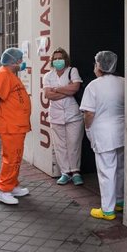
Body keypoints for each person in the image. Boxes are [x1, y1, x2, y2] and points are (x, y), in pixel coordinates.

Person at [79, 50, 125, 220]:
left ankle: (107, 210)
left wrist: (88, 129)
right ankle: (120, 201)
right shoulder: (123, 82)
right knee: (120, 168)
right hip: (121, 132)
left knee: (106, 172)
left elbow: (88, 114)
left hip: (103, 134)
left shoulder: (94, 85)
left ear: (99, 65)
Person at [0, 47, 32, 205]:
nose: (21, 62)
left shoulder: (9, 74)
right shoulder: (3, 74)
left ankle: (12, 185)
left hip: (17, 125)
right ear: (15, 61)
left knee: (16, 157)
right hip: (10, 125)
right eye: (20, 59)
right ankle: (3, 190)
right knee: (10, 158)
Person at [43, 47, 84, 186]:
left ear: (65, 59)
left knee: (74, 143)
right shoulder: (48, 76)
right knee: (60, 145)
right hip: (56, 114)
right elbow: (48, 95)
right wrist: (67, 91)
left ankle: (76, 172)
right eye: (55, 59)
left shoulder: (72, 71)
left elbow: (75, 88)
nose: (57, 61)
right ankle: (65, 172)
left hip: (73, 115)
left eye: (60, 58)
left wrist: (57, 90)